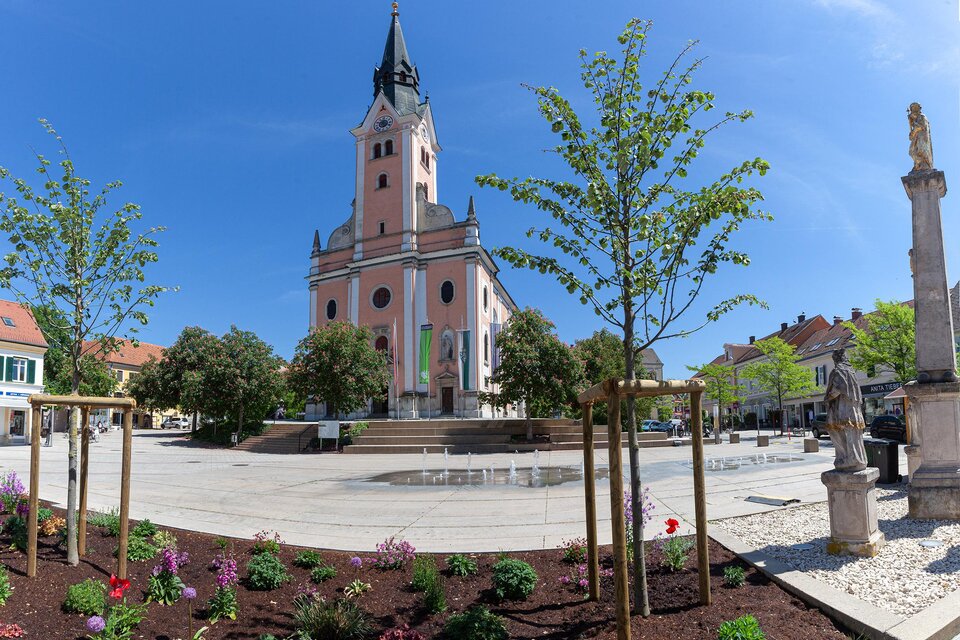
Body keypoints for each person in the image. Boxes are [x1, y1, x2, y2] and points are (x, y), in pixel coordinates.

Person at [824, 348, 868, 472]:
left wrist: (828, 398)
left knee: (838, 432)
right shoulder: (851, 371)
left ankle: (847, 459)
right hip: (854, 410)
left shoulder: (838, 371)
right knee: (854, 435)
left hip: (842, 410)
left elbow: (837, 389)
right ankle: (859, 459)